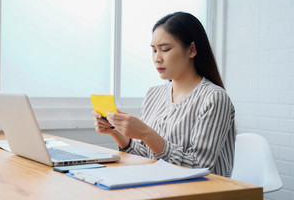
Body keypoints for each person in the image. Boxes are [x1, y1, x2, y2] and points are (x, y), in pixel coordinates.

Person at [92, 12, 235, 177]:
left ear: (192, 50)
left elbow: (200, 167)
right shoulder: (154, 94)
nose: (157, 58)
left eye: (165, 49)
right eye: (154, 50)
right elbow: (145, 156)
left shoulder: (214, 98)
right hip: (161, 186)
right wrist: (115, 131)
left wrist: (146, 133)